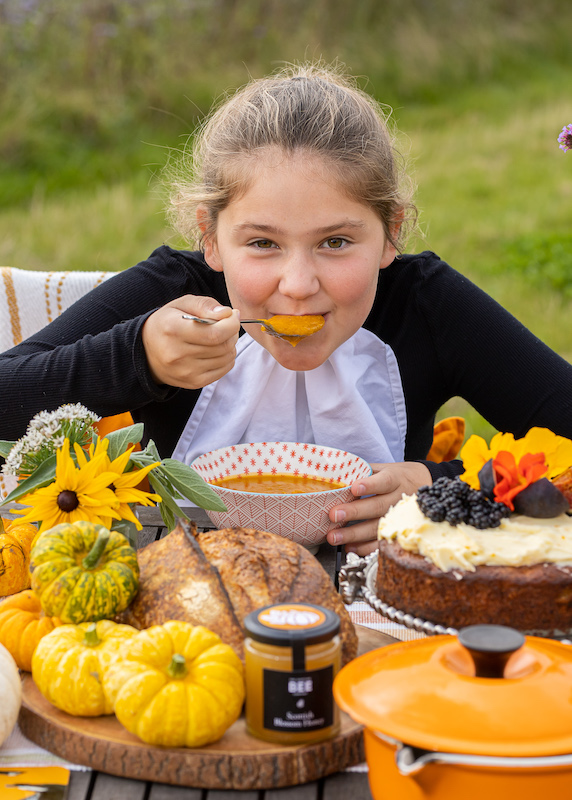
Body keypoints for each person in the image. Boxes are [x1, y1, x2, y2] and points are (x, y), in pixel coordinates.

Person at [2, 63, 572, 557]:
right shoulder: (175, 294)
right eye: (262, 244)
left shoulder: (424, 305)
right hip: (178, 585)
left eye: (336, 243)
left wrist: (436, 485)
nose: (297, 286)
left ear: (391, 234)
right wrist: (138, 357)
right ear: (211, 237)